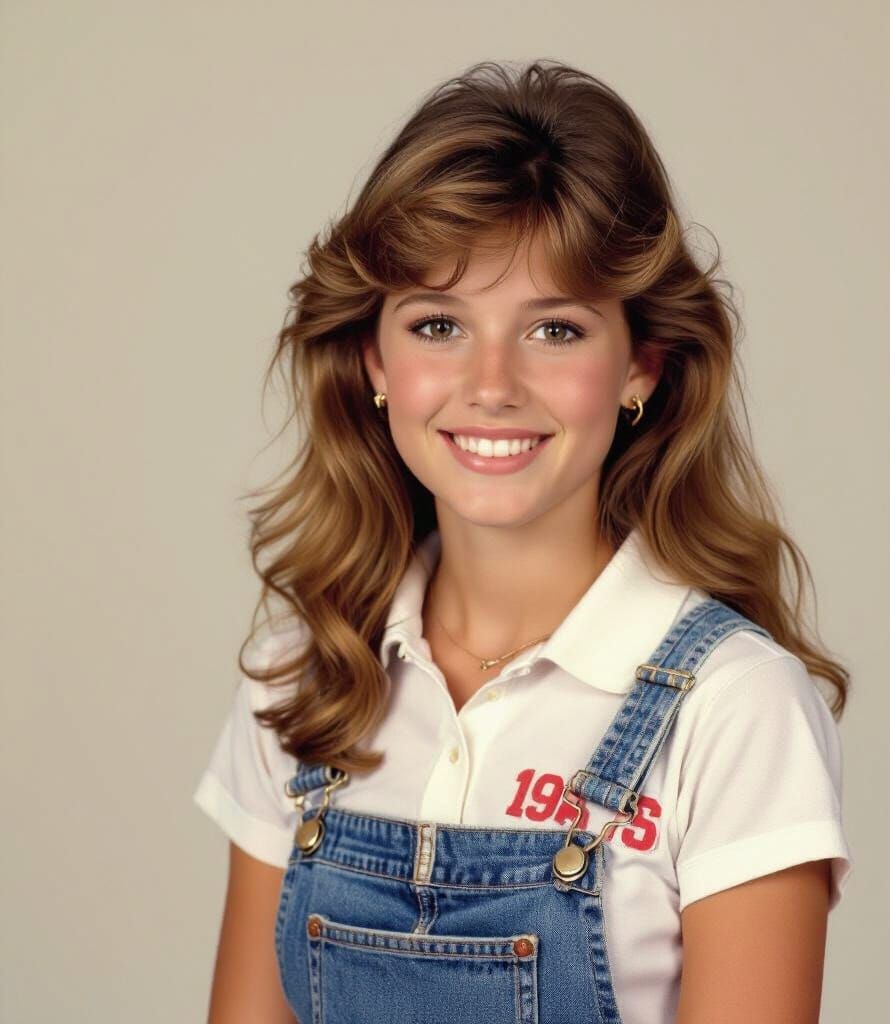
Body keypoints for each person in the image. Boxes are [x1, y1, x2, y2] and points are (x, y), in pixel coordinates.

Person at [193, 59, 853, 1024]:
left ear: (642, 367)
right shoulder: (304, 673)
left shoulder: (734, 710)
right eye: (438, 324)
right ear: (377, 361)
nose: (491, 384)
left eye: (554, 329)